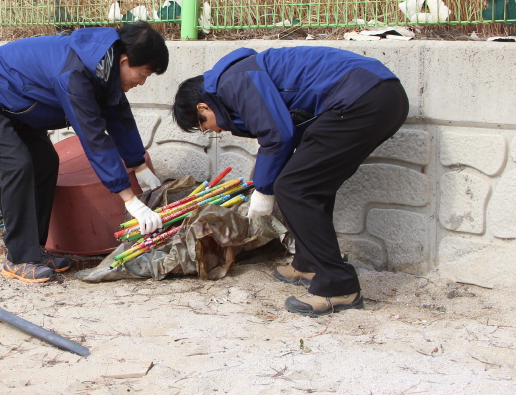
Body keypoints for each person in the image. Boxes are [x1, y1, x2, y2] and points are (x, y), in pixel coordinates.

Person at [172, 46, 408, 316]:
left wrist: (264, 188)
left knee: (295, 188)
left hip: (364, 98)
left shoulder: (231, 82)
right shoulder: (237, 76)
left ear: (203, 107)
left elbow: (277, 135)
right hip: (379, 95)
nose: (214, 130)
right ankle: (308, 264)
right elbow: (290, 129)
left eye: (204, 126)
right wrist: (267, 178)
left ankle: (338, 287)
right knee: (308, 184)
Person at [0, 21, 169, 283]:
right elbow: (93, 138)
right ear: (124, 60)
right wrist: (129, 200)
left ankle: (34, 252)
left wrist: (139, 164)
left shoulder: (103, 68)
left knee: (45, 163)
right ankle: (18, 258)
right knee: (18, 165)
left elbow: (119, 117)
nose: (142, 82)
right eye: (143, 74)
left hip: (17, 105)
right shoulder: (75, 73)